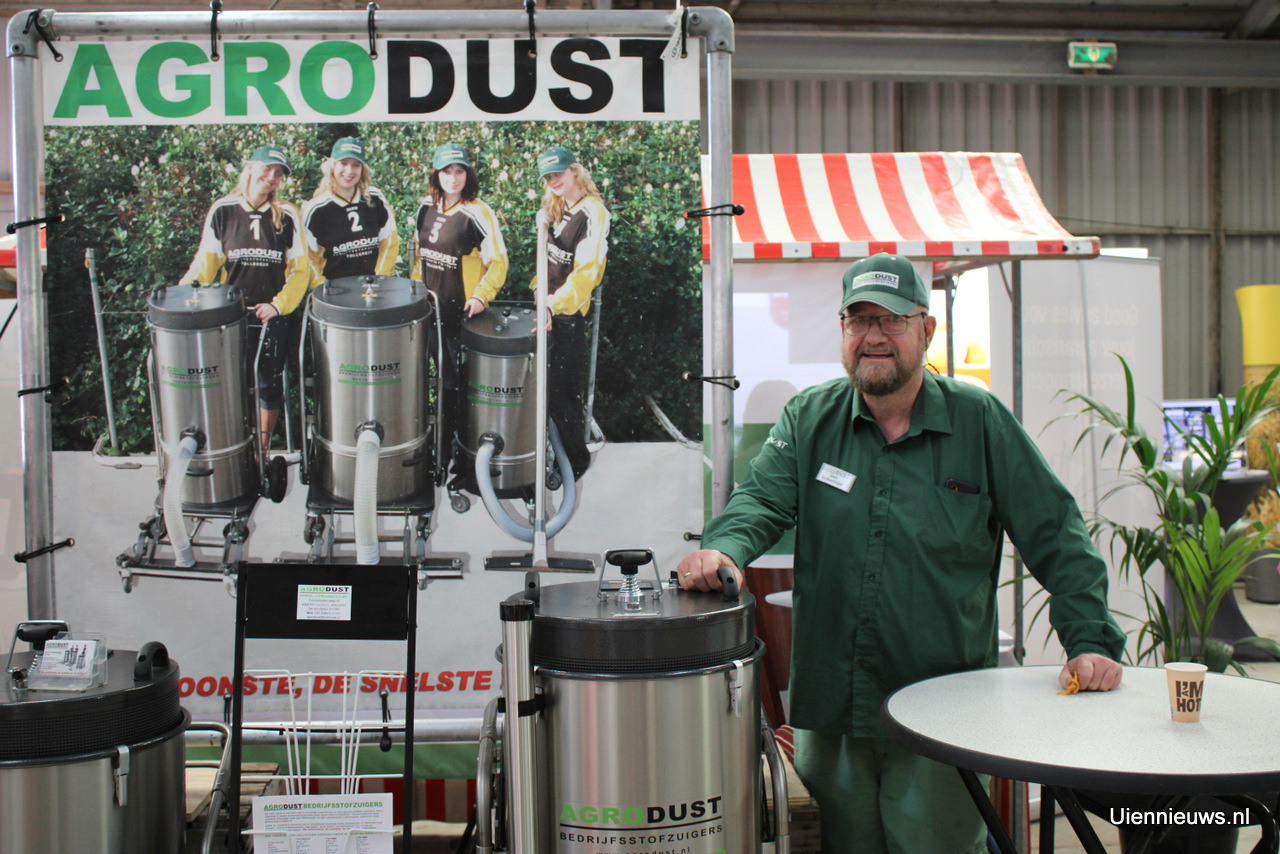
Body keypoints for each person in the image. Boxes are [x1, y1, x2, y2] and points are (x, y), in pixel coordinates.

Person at [677, 252, 1125, 854]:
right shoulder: (810, 418)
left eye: (891, 319)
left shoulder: (978, 419)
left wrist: (1090, 639)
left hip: (944, 707)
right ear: (843, 329)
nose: (874, 336)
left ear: (926, 329)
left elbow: (1057, 534)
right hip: (834, 708)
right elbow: (760, 500)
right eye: (859, 320)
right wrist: (724, 549)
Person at [180, 144, 310, 453]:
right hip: (231, 315)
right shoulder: (223, 210)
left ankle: (261, 453)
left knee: (268, 384)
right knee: (229, 384)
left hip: (272, 314)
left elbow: (300, 270)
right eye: (267, 168)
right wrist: (180, 297)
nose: (272, 177)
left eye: (278, 173)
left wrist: (279, 305)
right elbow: (205, 265)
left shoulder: (287, 214)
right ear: (250, 167)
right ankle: (233, 448)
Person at [409, 142, 509, 464]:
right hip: (428, 314)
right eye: (446, 171)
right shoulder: (425, 207)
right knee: (431, 380)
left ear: (468, 174)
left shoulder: (478, 213)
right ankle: (435, 446)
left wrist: (481, 295)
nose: (453, 178)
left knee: (456, 384)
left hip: (461, 316)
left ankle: (459, 453)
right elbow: (420, 258)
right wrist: (415, 290)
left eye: (459, 171)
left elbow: (499, 263)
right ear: (435, 175)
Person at [532, 145, 610, 479]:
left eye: (559, 174)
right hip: (546, 310)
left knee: (557, 393)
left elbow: (585, 275)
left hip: (566, 316)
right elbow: (545, 263)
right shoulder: (557, 207)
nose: (554, 181)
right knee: (544, 389)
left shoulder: (593, 213)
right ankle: (551, 456)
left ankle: (575, 463)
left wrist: (551, 305)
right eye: (548, 177)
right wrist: (539, 294)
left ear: (575, 171)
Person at [301, 136, 399, 283]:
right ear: (332, 166)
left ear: (362, 169)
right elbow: (309, 258)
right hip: (335, 292)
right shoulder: (315, 209)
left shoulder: (375, 198)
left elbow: (389, 242)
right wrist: (323, 288)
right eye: (343, 163)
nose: (349, 170)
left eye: (356, 165)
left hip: (375, 287)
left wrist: (379, 279)